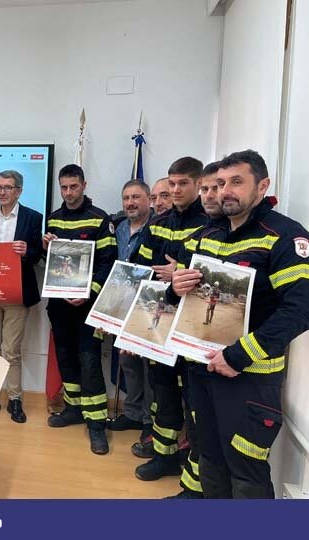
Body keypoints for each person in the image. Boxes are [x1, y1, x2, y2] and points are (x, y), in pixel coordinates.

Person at [169, 149, 309, 498]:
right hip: (202, 367)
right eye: (219, 183)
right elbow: (184, 296)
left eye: (236, 182)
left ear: (262, 187)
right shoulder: (208, 234)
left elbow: (301, 308)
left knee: (245, 471)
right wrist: (175, 289)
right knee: (210, 460)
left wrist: (240, 355)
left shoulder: (284, 235)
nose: (224, 191)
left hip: (248, 376)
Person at [134, 157, 209, 497]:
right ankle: (162, 455)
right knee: (162, 391)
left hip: (194, 326)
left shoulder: (211, 223)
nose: (176, 190)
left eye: (184, 184)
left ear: (198, 184)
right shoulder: (159, 221)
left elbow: (214, 274)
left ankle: (192, 471)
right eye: (172, 183)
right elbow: (139, 265)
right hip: (161, 319)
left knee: (195, 402)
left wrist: (182, 269)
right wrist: (159, 274)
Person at [44, 164, 117, 455]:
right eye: (64, 187)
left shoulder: (101, 219)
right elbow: (48, 263)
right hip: (60, 305)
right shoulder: (54, 219)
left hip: (89, 307)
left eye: (73, 186)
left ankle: (96, 424)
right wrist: (44, 246)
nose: (68, 192)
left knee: (89, 361)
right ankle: (73, 408)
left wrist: (90, 293)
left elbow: (108, 263)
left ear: (84, 185)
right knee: (65, 358)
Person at [0, 170, 43, 424]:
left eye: (8, 188)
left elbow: (37, 255)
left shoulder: (33, 217)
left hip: (17, 292)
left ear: (19, 191)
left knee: (12, 351)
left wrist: (27, 251)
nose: (2, 192)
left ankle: (15, 399)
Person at [107, 180, 154, 442]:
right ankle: (133, 413)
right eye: (126, 198)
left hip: (148, 306)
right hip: (121, 303)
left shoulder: (158, 227)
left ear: (149, 199)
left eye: (136, 197)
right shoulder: (119, 227)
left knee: (148, 365)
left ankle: (149, 419)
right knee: (128, 362)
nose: (130, 203)